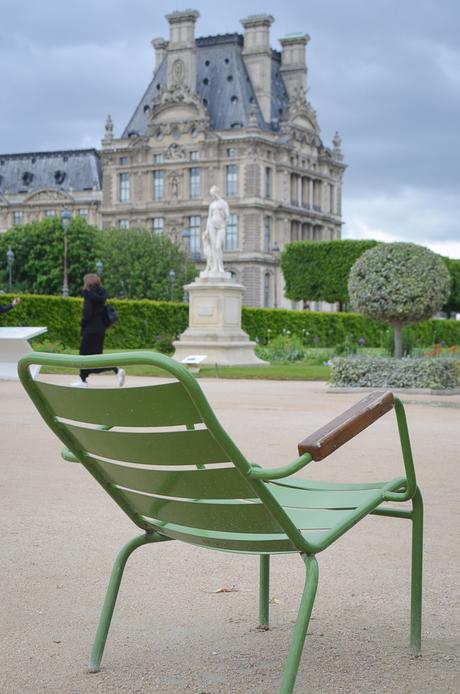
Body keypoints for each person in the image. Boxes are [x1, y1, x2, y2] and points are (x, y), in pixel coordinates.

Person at [72, 274, 125, 388]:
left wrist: (82, 324)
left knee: (83, 355)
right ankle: (116, 369)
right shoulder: (102, 295)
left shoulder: (88, 295)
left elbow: (87, 313)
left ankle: (83, 380)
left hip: (90, 329)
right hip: (100, 329)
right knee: (96, 358)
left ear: (87, 283)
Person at [202, 186, 229, 274]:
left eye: (213, 194)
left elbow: (227, 216)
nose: (212, 196)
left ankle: (220, 266)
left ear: (216, 193)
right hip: (212, 225)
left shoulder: (224, 203)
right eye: (211, 195)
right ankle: (215, 267)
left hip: (221, 226)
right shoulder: (212, 205)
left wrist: (224, 225)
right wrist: (206, 230)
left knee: (218, 246)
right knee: (213, 246)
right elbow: (209, 217)